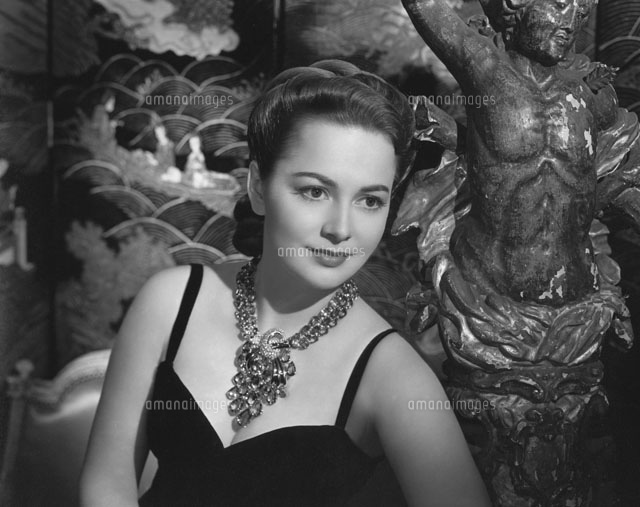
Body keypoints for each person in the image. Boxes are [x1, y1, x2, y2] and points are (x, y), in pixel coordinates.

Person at [79, 59, 490, 507]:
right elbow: (107, 483)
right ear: (258, 186)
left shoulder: (394, 376)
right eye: (315, 191)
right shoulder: (171, 301)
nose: (340, 228)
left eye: (370, 200)